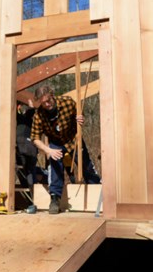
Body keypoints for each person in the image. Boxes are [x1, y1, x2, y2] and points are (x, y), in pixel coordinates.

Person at [30, 84, 101, 214]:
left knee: (86, 166)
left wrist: (80, 118)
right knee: (55, 165)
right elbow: (35, 138)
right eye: (43, 103)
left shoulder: (67, 102)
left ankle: (98, 190)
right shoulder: (38, 115)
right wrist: (48, 150)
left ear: (52, 95)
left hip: (73, 139)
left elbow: (79, 114)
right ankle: (55, 199)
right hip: (55, 143)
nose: (47, 104)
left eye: (48, 100)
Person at [16, 97, 38, 197]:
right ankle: (33, 197)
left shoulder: (23, 119)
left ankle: (32, 197)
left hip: (24, 148)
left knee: (26, 172)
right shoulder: (27, 119)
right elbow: (31, 110)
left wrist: (28, 103)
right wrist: (30, 104)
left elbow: (31, 111)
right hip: (29, 148)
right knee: (29, 172)